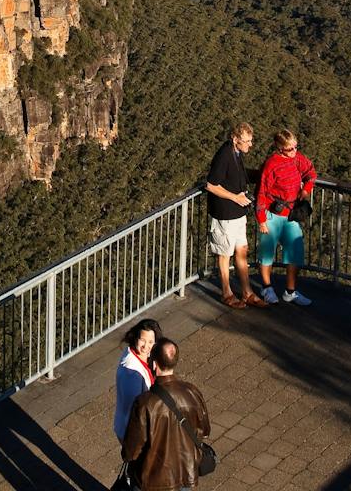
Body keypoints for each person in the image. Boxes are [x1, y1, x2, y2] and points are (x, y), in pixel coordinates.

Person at [121, 339, 212, 491]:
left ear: (154, 365)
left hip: (152, 481)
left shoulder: (144, 403)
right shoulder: (192, 392)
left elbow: (132, 451)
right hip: (185, 473)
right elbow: (205, 430)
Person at [203, 123, 268, 309]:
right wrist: (235, 197)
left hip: (238, 213)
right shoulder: (224, 155)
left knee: (242, 250)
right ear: (235, 139)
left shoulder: (237, 153)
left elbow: (238, 175)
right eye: (246, 141)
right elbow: (211, 185)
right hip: (225, 214)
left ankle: (247, 293)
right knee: (225, 254)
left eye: (250, 140)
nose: (250, 144)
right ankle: (227, 293)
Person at [256, 129, 316, 305]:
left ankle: (290, 292)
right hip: (272, 215)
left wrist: (306, 190)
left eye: (296, 147)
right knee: (267, 254)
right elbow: (262, 193)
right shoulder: (271, 164)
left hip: (291, 215)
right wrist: (261, 220)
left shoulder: (298, 159)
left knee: (295, 253)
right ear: (280, 148)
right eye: (290, 149)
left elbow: (311, 173)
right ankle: (266, 288)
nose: (294, 151)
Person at [113, 318, 160, 441]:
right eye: (142, 340)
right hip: (132, 432)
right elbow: (135, 410)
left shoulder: (144, 356)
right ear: (136, 339)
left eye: (151, 342)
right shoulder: (131, 373)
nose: (146, 346)